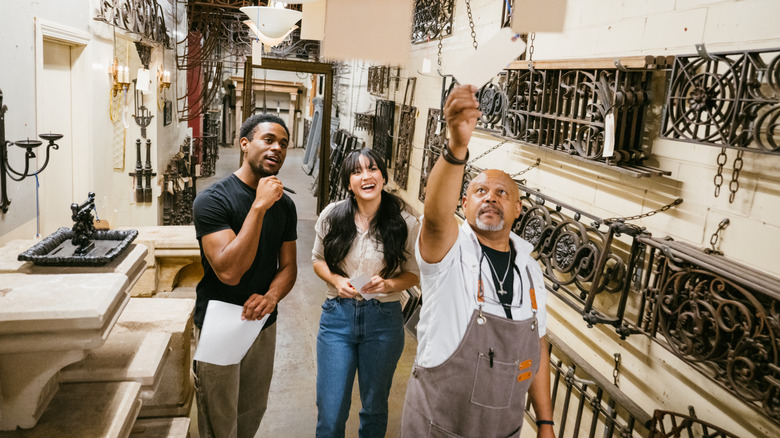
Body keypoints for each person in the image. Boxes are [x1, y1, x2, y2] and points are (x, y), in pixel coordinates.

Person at [400, 85, 555, 438]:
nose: (490, 197)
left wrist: (545, 423)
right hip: (436, 426)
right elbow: (436, 216)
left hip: (503, 430)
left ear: (518, 209)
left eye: (503, 193)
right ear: (464, 204)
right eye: (479, 191)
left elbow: (539, 346)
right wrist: (457, 148)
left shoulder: (530, 270)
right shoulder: (450, 251)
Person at [192, 113, 298, 438]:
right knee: (219, 419)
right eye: (268, 140)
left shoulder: (286, 206)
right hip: (221, 321)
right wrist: (258, 206)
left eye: (283, 143)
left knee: (252, 411)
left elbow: (289, 267)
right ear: (244, 144)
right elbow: (229, 271)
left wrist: (271, 296)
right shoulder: (213, 200)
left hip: (262, 322)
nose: (277, 148)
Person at [312, 148, 420, 438]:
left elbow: (413, 274)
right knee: (331, 412)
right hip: (338, 317)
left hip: (383, 320)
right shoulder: (332, 216)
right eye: (357, 171)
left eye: (372, 169)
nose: (366, 176)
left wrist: (389, 285)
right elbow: (317, 260)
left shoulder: (405, 224)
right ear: (349, 183)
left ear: (383, 177)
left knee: (374, 409)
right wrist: (336, 280)